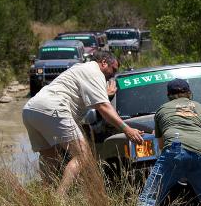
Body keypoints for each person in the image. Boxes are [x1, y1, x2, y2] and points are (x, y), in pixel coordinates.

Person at [23, 51, 144, 197]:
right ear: (104, 62)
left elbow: (88, 100)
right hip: (53, 107)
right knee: (83, 155)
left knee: (49, 156)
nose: (113, 74)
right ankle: (59, 198)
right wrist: (127, 129)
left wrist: (105, 95)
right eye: (114, 69)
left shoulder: (81, 68)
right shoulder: (95, 72)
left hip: (31, 109)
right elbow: (103, 107)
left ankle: (46, 197)